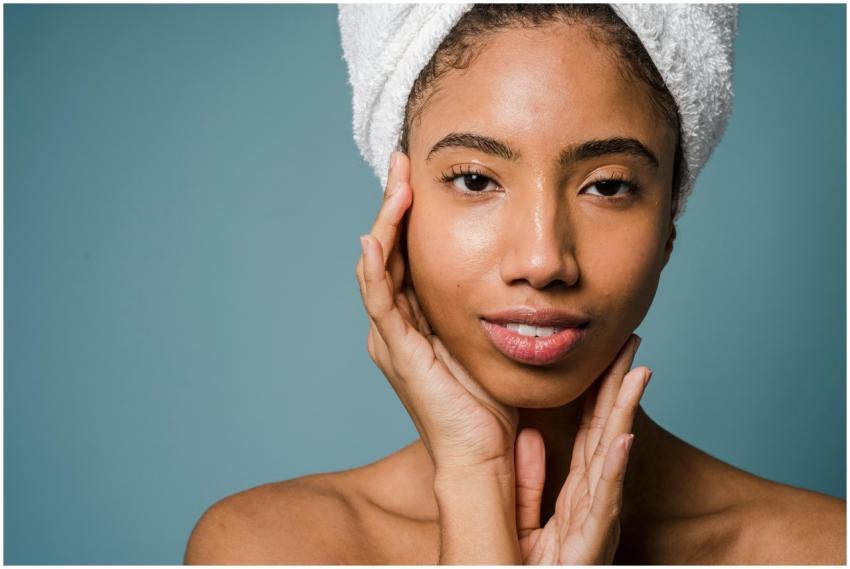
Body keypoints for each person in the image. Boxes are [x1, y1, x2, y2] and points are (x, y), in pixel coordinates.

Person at [184, 5, 846, 564]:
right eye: (475, 179)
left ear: (669, 220)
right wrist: (474, 485)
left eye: (608, 185)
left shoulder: (820, 549)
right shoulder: (267, 546)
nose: (542, 258)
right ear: (399, 208)